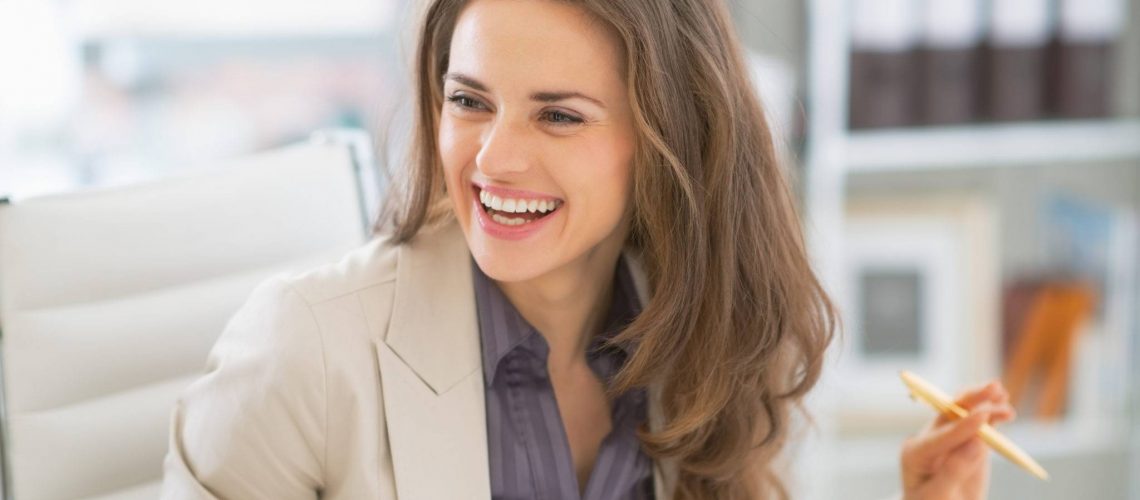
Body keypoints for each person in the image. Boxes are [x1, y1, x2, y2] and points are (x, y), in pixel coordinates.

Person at [160, 0, 1016, 498]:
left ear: (667, 140)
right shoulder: (304, 349)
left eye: (559, 115)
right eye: (470, 100)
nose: (494, 159)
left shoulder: (705, 347)